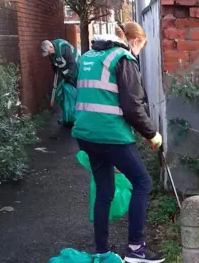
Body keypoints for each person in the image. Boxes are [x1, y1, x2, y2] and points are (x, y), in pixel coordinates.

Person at [71, 22, 165, 263]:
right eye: (141, 46)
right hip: (110, 135)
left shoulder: (89, 57)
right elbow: (132, 107)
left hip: (85, 134)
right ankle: (136, 249)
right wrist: (152, 135)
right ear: (134, 41)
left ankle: (101, 251)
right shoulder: (123, 58)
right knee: (142, 182)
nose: (139, 52)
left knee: (104, 190)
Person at [41, 39, 80, 126]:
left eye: (48, 52)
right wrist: (56, 71)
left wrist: (69, 77)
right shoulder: (52, 52)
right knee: (61, 95)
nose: (49, 54)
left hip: (77, 72)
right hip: (67, 76)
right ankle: (69, 116)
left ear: (51, 47)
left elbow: (72, 64)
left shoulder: (63, 47)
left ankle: (76, 118)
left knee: (75, 96)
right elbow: (54, 64)